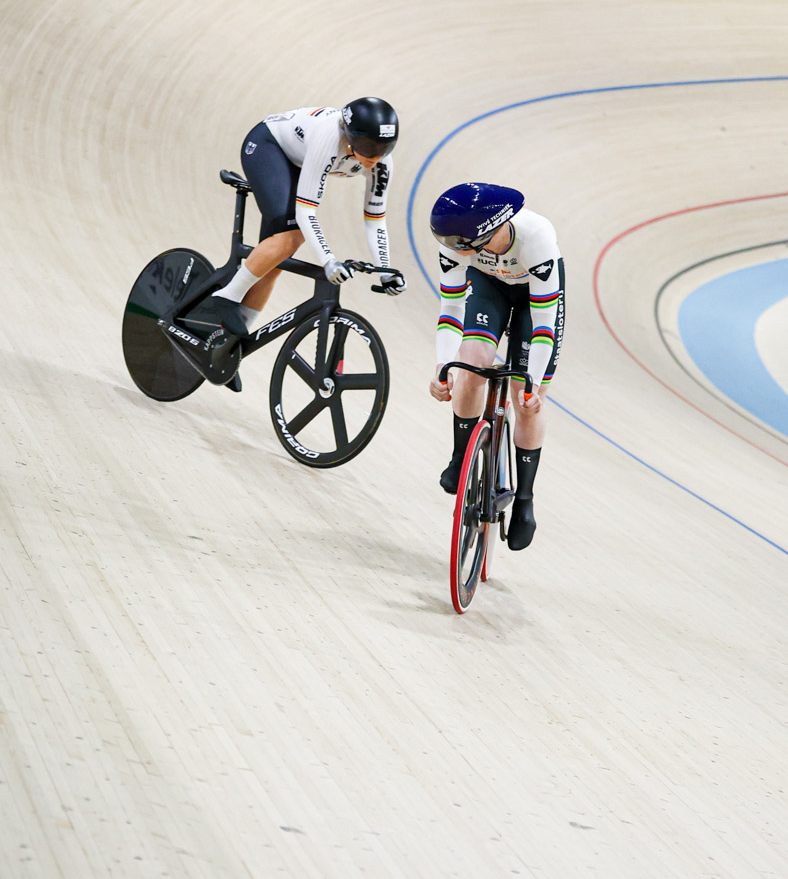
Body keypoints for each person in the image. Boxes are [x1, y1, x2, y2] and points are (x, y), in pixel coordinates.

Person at [187, 97, 406, 356]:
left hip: (297, 160)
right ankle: (227, 296)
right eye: (368, 147)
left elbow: (375, 220)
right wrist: (328, 260)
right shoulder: (329, 138)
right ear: (349, 135)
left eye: (385, 148)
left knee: (275, 265)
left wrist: (385, 270)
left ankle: (227, 348)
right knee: (292, 237)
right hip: (268, 145)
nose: (376, 156)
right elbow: (306, 212)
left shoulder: (382, 163)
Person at [428, 182, 564, 550]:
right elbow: (451, 308)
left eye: (460, 244)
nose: (452, 249)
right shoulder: (457, 240)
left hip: (534, 301)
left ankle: (524, 500)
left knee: (525, 396)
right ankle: (461, 456)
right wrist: (443, 366)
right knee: (471, 364)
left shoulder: (537, 238)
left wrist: (534, 384)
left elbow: (544, 325)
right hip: (489, 287)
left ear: (487, 232)